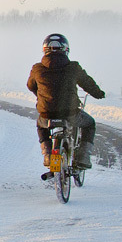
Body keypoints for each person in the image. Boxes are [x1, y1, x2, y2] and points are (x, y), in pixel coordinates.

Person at [27, 33, 105, 170]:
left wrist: (41, 95)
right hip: (70, 114)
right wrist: (99, 94)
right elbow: (87, 83)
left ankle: (47, 155)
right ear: (66, 50)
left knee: (41, 126)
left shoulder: (37, 69)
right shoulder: (73, 67)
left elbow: (30, 86)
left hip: (47, 115)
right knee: (89, 124)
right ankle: (83, 159)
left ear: (45, 49)